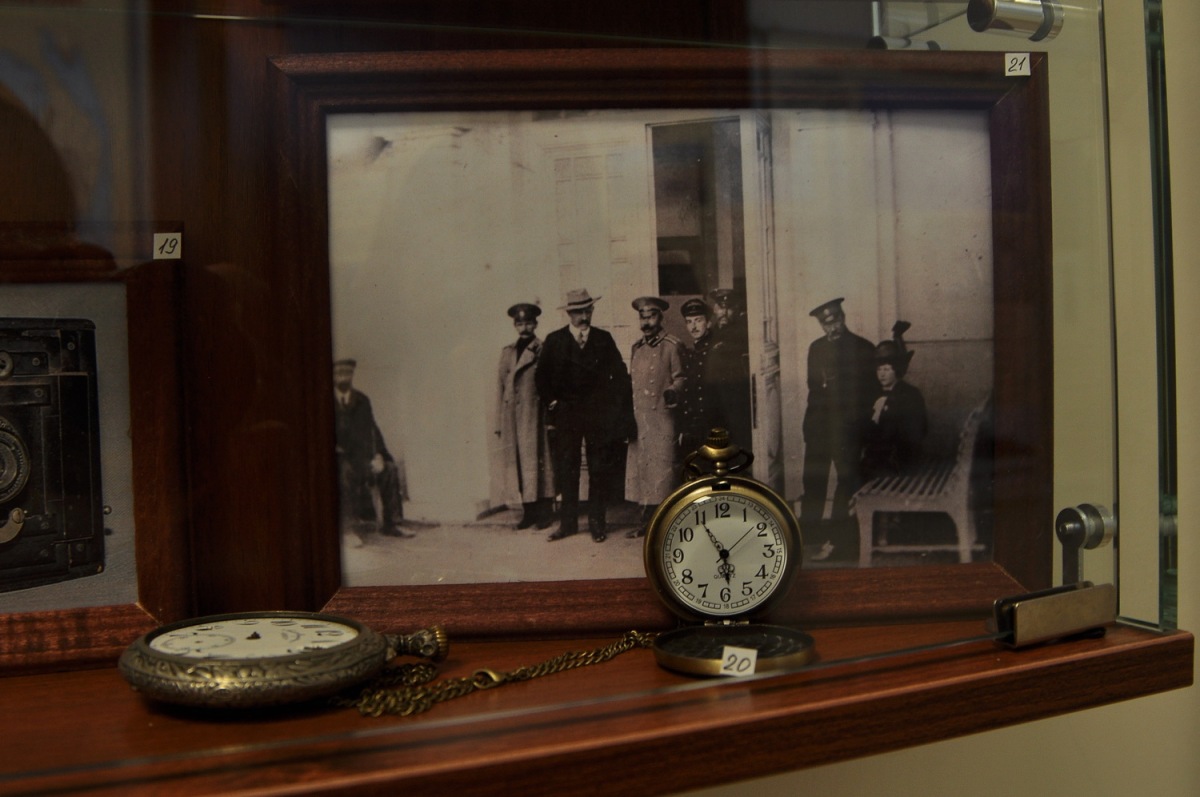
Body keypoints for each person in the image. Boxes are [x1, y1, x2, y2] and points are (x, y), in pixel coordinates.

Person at [535, 288, 635, 543]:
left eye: (587, 310)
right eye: (578, 312)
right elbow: (541, 377)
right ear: (569, 314)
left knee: (598, 469)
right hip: (566, 415)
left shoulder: (603, 339)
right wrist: (554, 403)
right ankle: (567, 524)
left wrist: (610, 407)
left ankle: (596, 523)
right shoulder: (555, 340)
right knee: (567, 469)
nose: (584, 316)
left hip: (597, 415)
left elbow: (620, 375)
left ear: (592, 310)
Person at [798, 298, 877, 534]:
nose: (831, 328)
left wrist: (857, 423)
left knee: (847, 481)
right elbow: (813, 388)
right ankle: (809, 533)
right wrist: (810, 426)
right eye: (826, 324)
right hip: (819, 426)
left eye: (835, 322)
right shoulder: (816, 348)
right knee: (813, 480)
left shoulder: (863, 348)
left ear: (843, 318)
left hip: (847, 428)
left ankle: (840, 536)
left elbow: (871, 391)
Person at [624, 296, 685, 537]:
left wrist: (673, 392)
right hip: (641, 419)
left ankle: (666, 524)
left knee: (663, 471)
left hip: (662, 416)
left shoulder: (672, 346)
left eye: (651, 317)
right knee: (644, 472)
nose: (646, 322)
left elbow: (681, 377)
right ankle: (646, 522)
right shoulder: (636, 348)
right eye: (643, 317)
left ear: (660, 318)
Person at [333, 358, 412, 542]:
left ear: (352, 374)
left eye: (347, 372)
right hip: (340, 459)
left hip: (362, 460)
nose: (343, 377)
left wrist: (378, 456)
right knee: (343, 472)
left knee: (389, 469)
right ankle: (347, 530)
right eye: (339, 373)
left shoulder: (362, 400)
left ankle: (393, 524)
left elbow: (372, 431)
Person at [494, 303, 556, 530]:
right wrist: (499, 422)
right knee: (520, 464)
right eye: (520, 324)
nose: (524, 328)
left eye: (528, 323)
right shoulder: (507, 352)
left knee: (541, 463)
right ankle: (528, 512)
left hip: (535, 414)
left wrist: (551, 417)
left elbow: (551, 382)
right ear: (515, 326)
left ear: (535, 324)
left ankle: (545, 512)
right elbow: (501, 387)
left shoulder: (543, 348)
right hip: (512, 416)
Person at [861, 322, 927, 482]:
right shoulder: (874, 395)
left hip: (899, 463)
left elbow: (917, 432)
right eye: (879, 369)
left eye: (886, 369)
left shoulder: (910, 395)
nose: (881, 374)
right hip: (875, 462)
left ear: (896, 370)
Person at [706, 288, 753, 453]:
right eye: (720, 307)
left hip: (736, 396)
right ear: (715, 309)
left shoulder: (743, 332)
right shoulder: (713, 333)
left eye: (729, 308)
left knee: (739, 440)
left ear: (736, 309)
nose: (724, 313)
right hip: (716, 395)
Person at [678, 297, 716, 455]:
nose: (693, 327)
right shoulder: (689, 353)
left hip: (713, 423)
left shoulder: (716, 350)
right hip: (693, 425)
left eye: (698, 320)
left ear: (708, 323)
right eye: (689, 322)